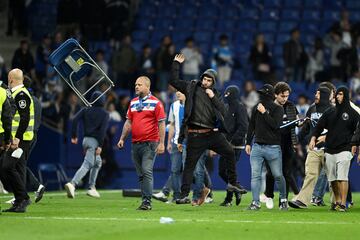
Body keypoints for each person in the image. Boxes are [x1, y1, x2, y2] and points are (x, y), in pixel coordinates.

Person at [170, 54, 246, 204]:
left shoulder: (216, 94)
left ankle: (233, 183)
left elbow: (224, 113)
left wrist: (213, 97)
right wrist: (176, 64)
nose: (205, 82)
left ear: (213, 83)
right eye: (204, 79)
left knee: (230, 152)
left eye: (209, 80)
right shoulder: (191, 87)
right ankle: (184, 195)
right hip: (194, 135)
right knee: (189, 166)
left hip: (211, 134)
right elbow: (173, 81)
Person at [117, 76, 166, 210]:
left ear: (147, 87)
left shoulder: (156, 103)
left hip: (150, 143)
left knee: (146, 171)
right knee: (141, 175)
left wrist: (162, 143)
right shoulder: (132, 102)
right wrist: (122, 138)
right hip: (135, 143)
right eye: (135, 84)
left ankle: (147, 202)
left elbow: (161, 123)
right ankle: (145, 200)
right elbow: (128, 122)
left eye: (139, 84)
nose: (136, 87)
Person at [309, 86, 359, 212]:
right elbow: (319, 126)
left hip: (345, 149)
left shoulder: (353, 114)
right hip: (330, 149)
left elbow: (358, 132)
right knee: (332, 179)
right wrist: (313, 138)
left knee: (342, 177)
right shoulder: (330, 112)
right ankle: (337, 201)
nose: (338, 96)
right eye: (337, 94)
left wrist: (357, 147)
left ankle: (343, 203)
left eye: (341, 94)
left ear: (346, 96)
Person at [245, 84, 288, 210]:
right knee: (255, 176)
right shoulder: (255, 108)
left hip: (273, 147)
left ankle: (283, 200)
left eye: (263, 94)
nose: (261, 96)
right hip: (257, 146)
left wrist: (264, 113)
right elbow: (251, 126)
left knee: (278, 175)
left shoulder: (278, 109)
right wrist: (248, 142)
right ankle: (255, 202)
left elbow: (275, 126)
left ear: (269, 95)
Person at [289, 87, 332, 209]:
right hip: (314, 148)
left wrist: (327, 138)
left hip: (330, 149)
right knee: (310, 174)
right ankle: (302, 201)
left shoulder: (333, 110)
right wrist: (296, 141)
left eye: (318, 93)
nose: (316, 95)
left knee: (333, 178)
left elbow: (338, 129)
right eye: (316, 93)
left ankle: (338, 202)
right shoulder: (312, 108)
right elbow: (307, 127)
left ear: (324, 95)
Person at [64, 91, 109, 199]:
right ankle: (73, 184)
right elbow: (102, 131)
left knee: (97, 163)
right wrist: (100, 146)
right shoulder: (105, 114)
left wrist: (74, 136)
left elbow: (74, 120)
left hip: (85, 140)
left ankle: (92, 188)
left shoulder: (85, 109)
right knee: (88, 164)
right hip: (95, 142)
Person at [1, 68, 34, 213]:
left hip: (21, 140)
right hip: (18, 139)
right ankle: (19, 200)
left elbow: (25, 118)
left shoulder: (21, 94)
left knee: (7, 167)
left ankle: (23, 198)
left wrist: (18, 139)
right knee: (12, 168)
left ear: (11, 80)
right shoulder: (16, 93)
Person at [263, 82, 300, 209]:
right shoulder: (269, 107)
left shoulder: (291, 106)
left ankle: (282, 201)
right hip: (272, 143)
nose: (285, 99)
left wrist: (299, 123)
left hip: (288, 144)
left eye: (287, 96)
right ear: (275, 95)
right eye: (282, 96)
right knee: (271, 173)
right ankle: (269, 196)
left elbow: (296, 121)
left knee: (286, 173)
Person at [219, 85, 249, 207]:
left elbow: (243, 126)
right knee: (222, 171)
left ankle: (228, 199)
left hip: (235, 145)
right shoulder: (226, 107)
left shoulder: (240, 107)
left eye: (228, 94)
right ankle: (236, 188)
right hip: (225, 143)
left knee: (228, 170)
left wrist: (232, 140)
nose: (226, 96)